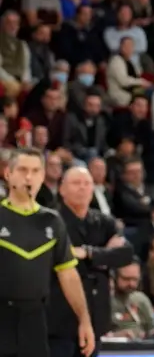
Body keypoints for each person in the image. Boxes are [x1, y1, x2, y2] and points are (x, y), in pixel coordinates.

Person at [0, 148, 95, 357]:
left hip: (36, 319)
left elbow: (68, 274)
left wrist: (84, 320)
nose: (29, 177)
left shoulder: (53, 221)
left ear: (43, 176)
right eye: (23, 170)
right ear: (8, 174)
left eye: (35, 171)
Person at [50, 166, 126, 353]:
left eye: (87, 183)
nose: (82, 187)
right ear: (62, 189)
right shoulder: (52, 221)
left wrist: (89, 253)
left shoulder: (104, 221)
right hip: (60, 316)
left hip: (96, 313)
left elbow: (125, 254)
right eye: (76, 183)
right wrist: (105, 254)